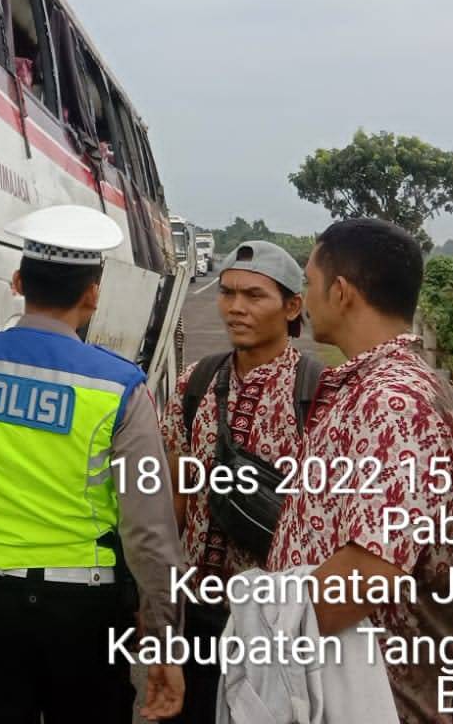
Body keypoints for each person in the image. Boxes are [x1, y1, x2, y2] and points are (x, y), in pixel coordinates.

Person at [0, 203, 186, 724]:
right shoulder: (119, 387)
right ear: (93, 293)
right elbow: (149, 532)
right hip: (84, 609)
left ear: (19, 280)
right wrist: (164, 637)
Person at [267, 218, 453, 724]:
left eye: (310, 282)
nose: (307, 295)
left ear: (341, 292)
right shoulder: (374, 387)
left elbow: (370, 573)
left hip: (382, 700)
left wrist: (269, 636)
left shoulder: (393, 400)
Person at [159, 240, 323, 724]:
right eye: (228, 293)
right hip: (197, 614)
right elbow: (175, 496)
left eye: (254, 296)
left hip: (272, 625)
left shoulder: (318, 394)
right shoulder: (196, 382)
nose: (235, 307)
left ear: (293, 306)